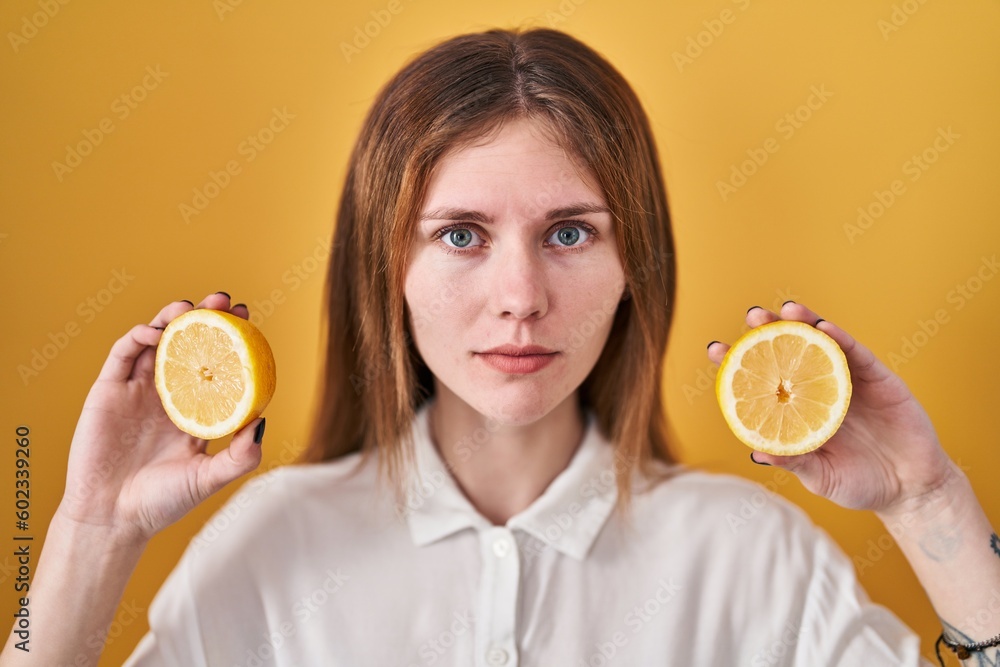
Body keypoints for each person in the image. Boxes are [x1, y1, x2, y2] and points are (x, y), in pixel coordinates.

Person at [3, 28, 997, 667]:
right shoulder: (269, 548)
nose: (519, 299)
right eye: (460, 235)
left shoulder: (751, 559)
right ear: (383, 264)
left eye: (570, 233)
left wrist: (927, 502)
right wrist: (93, 530)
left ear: (631, 265)